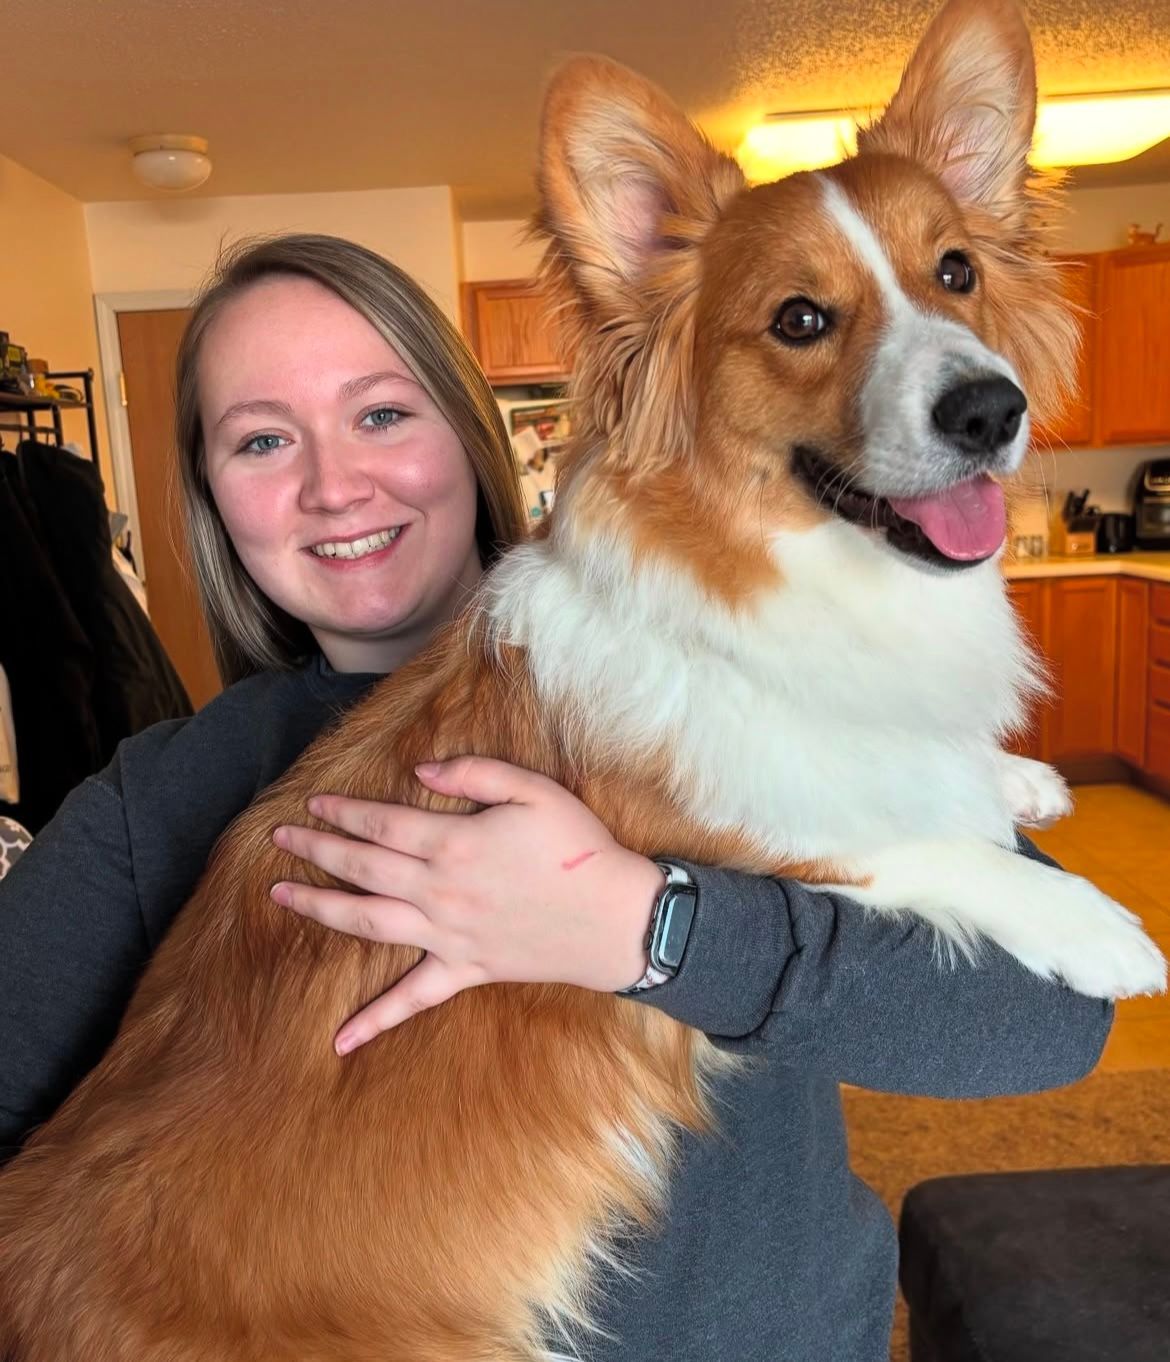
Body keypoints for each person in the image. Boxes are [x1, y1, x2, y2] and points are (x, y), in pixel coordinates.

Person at [0, 233, 1110, 1362]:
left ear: (468, 430)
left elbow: (1056, 1017)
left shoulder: (739, 664)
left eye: (383, 415)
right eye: (262, 440)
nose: (333, 485)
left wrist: (651, 927)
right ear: (210, 493)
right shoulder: (159, 798)